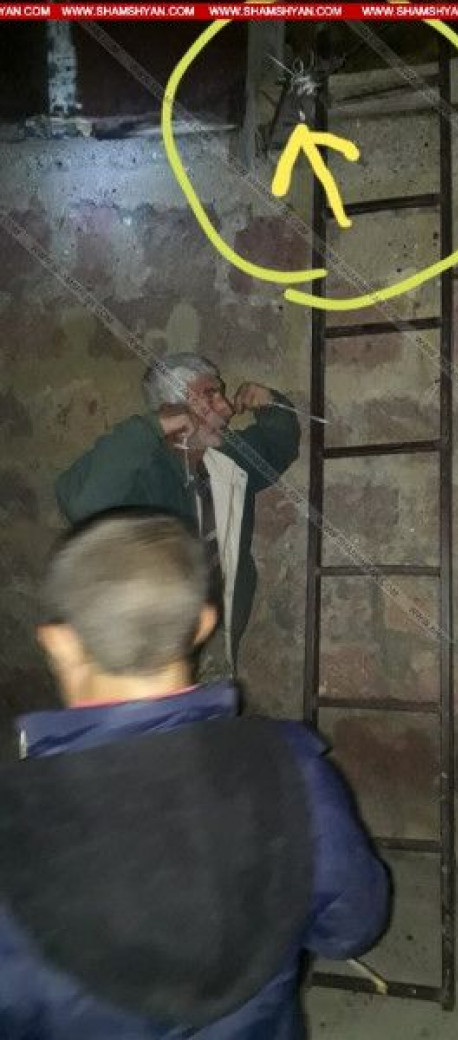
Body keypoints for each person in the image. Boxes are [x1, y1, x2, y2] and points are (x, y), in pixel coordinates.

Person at [0, 511, 389, 1039]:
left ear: (59, 642)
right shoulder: (292, 767)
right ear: (204, 625)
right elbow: (351, 927)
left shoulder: (13, 828)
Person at [55, 353, 301, 676]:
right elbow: (80, 502)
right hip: (148, 656)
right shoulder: (141, 474)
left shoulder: (226, 463)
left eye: (222, 394)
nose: (227, 408)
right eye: (211, 395)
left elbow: (278, 445)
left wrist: (270, 403)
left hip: (216, 646)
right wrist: (149, 426)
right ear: (172, 409)